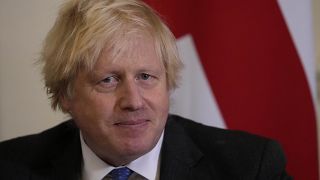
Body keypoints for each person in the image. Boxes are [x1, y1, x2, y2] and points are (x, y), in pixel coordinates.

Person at [0, 0, 292, 179]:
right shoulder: (9, 167)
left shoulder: (249, 167)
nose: (133, 101)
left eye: (146, 76)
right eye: (108, 80)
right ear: (65, 95)